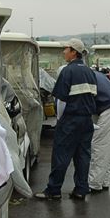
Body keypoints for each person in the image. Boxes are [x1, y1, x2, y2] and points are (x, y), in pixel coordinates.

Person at [34, 39, 97, 201]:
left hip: (70, 119)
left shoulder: (67, 71)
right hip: (86, 120)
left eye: (66, 49)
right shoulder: (89, 72)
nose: (64, 52)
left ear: (74, 52)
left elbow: (62, 101)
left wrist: (60, 120)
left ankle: (54, 190)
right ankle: (81, 189)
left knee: (61, 154)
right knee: (83, 155)